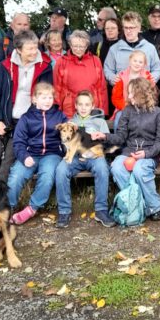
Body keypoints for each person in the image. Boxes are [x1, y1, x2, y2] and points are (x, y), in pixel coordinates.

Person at [94, 78, 160, 221]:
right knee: (116, 167)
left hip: (149, 154)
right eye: (129, 92)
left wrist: (146, 153)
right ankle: (137, 204)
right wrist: (105, 136)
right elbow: (120, 137)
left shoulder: (159, 113)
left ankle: (155, 206)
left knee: (139, 169)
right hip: (129, 152)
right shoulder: (127, 111)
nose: (129, 96)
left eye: (132, 93)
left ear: (142, 93)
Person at [0, 30, 53, 181]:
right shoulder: (5, 66)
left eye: (36, 47)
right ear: (19, 50)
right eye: (30, 49)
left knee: (9, 159)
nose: (34, 52)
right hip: (5, 119)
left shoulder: (45, 66)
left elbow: (47, 98)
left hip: (27, 122)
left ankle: (0, 192)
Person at [6, 82, 66, 225]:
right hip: (30, 154)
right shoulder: (26, 118)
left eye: (50, 97)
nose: (47, 101)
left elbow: (69, 134)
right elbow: (18, 142)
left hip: (52, 154)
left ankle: (32, 208)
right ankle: (8, 207)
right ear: (34, 99)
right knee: (16, 176)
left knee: (47, 176)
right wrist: (24, 156)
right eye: (43, 97)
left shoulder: (59, 116)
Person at [54, 90, 116, 229]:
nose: (83, 108)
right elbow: (65, 144)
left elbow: (108, 142)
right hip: (75, 157)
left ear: (92, 106)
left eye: (87, 105)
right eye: (80, 104)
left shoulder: (99, 122)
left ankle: (101, 210)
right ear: (75, 105)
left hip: (94, 157)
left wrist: (100, 138)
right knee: (61, 170)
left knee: (102, 168)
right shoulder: (70, 122)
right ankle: (64, 211)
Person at [53, 30, 109, 118]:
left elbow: (101, 88)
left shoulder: (95, 61)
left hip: (92, 107)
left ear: (86, 46)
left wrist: (102, 111)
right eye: (75, 46)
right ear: (70, 45)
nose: (78, 49)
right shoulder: (61, 62)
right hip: (69, 108)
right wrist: (56, 111)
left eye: (81, 46)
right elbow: (57, 88)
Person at [103, 11, 160, 85]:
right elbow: (107, 69)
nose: (128, 31)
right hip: (122, 90)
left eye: (131, 28)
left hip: (144, 89)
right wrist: (112, 78)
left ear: (139, 28)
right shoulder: (114, 49)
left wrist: (152, 78)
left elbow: (157, 69)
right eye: (126, 27)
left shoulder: (150, 48)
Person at [111, 49, 155, 124]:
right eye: (135, 61)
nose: (137, 64)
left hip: (143, 107)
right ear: (130, 61)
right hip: (124, 107)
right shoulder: (121, 77)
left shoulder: (147, 76)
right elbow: (116, 98)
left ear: (144, 64)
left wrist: (143, 105)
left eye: (140, 62)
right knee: (118, 119)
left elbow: (151, 94)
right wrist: (125, 107)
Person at [92, 17, 122, 118]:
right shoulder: (97, 46)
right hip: (101, 88)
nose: (110, 30)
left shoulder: (123, 46)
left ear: (119, 30)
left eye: (113, 28)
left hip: (118, 87)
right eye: (107, 28)